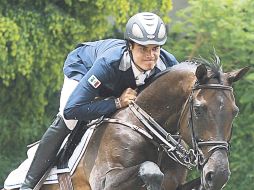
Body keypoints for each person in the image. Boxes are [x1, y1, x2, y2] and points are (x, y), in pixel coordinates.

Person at [20, 12, 178, 190]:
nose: (151, 56)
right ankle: (28, 184)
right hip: (84, 69)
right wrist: (116, 103)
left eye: (155, 48)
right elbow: (72, 109)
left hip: (119, 82)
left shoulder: (167, 64)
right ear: (130, 46)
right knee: (68, 120)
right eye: (143, 48)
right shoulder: (109, 62)